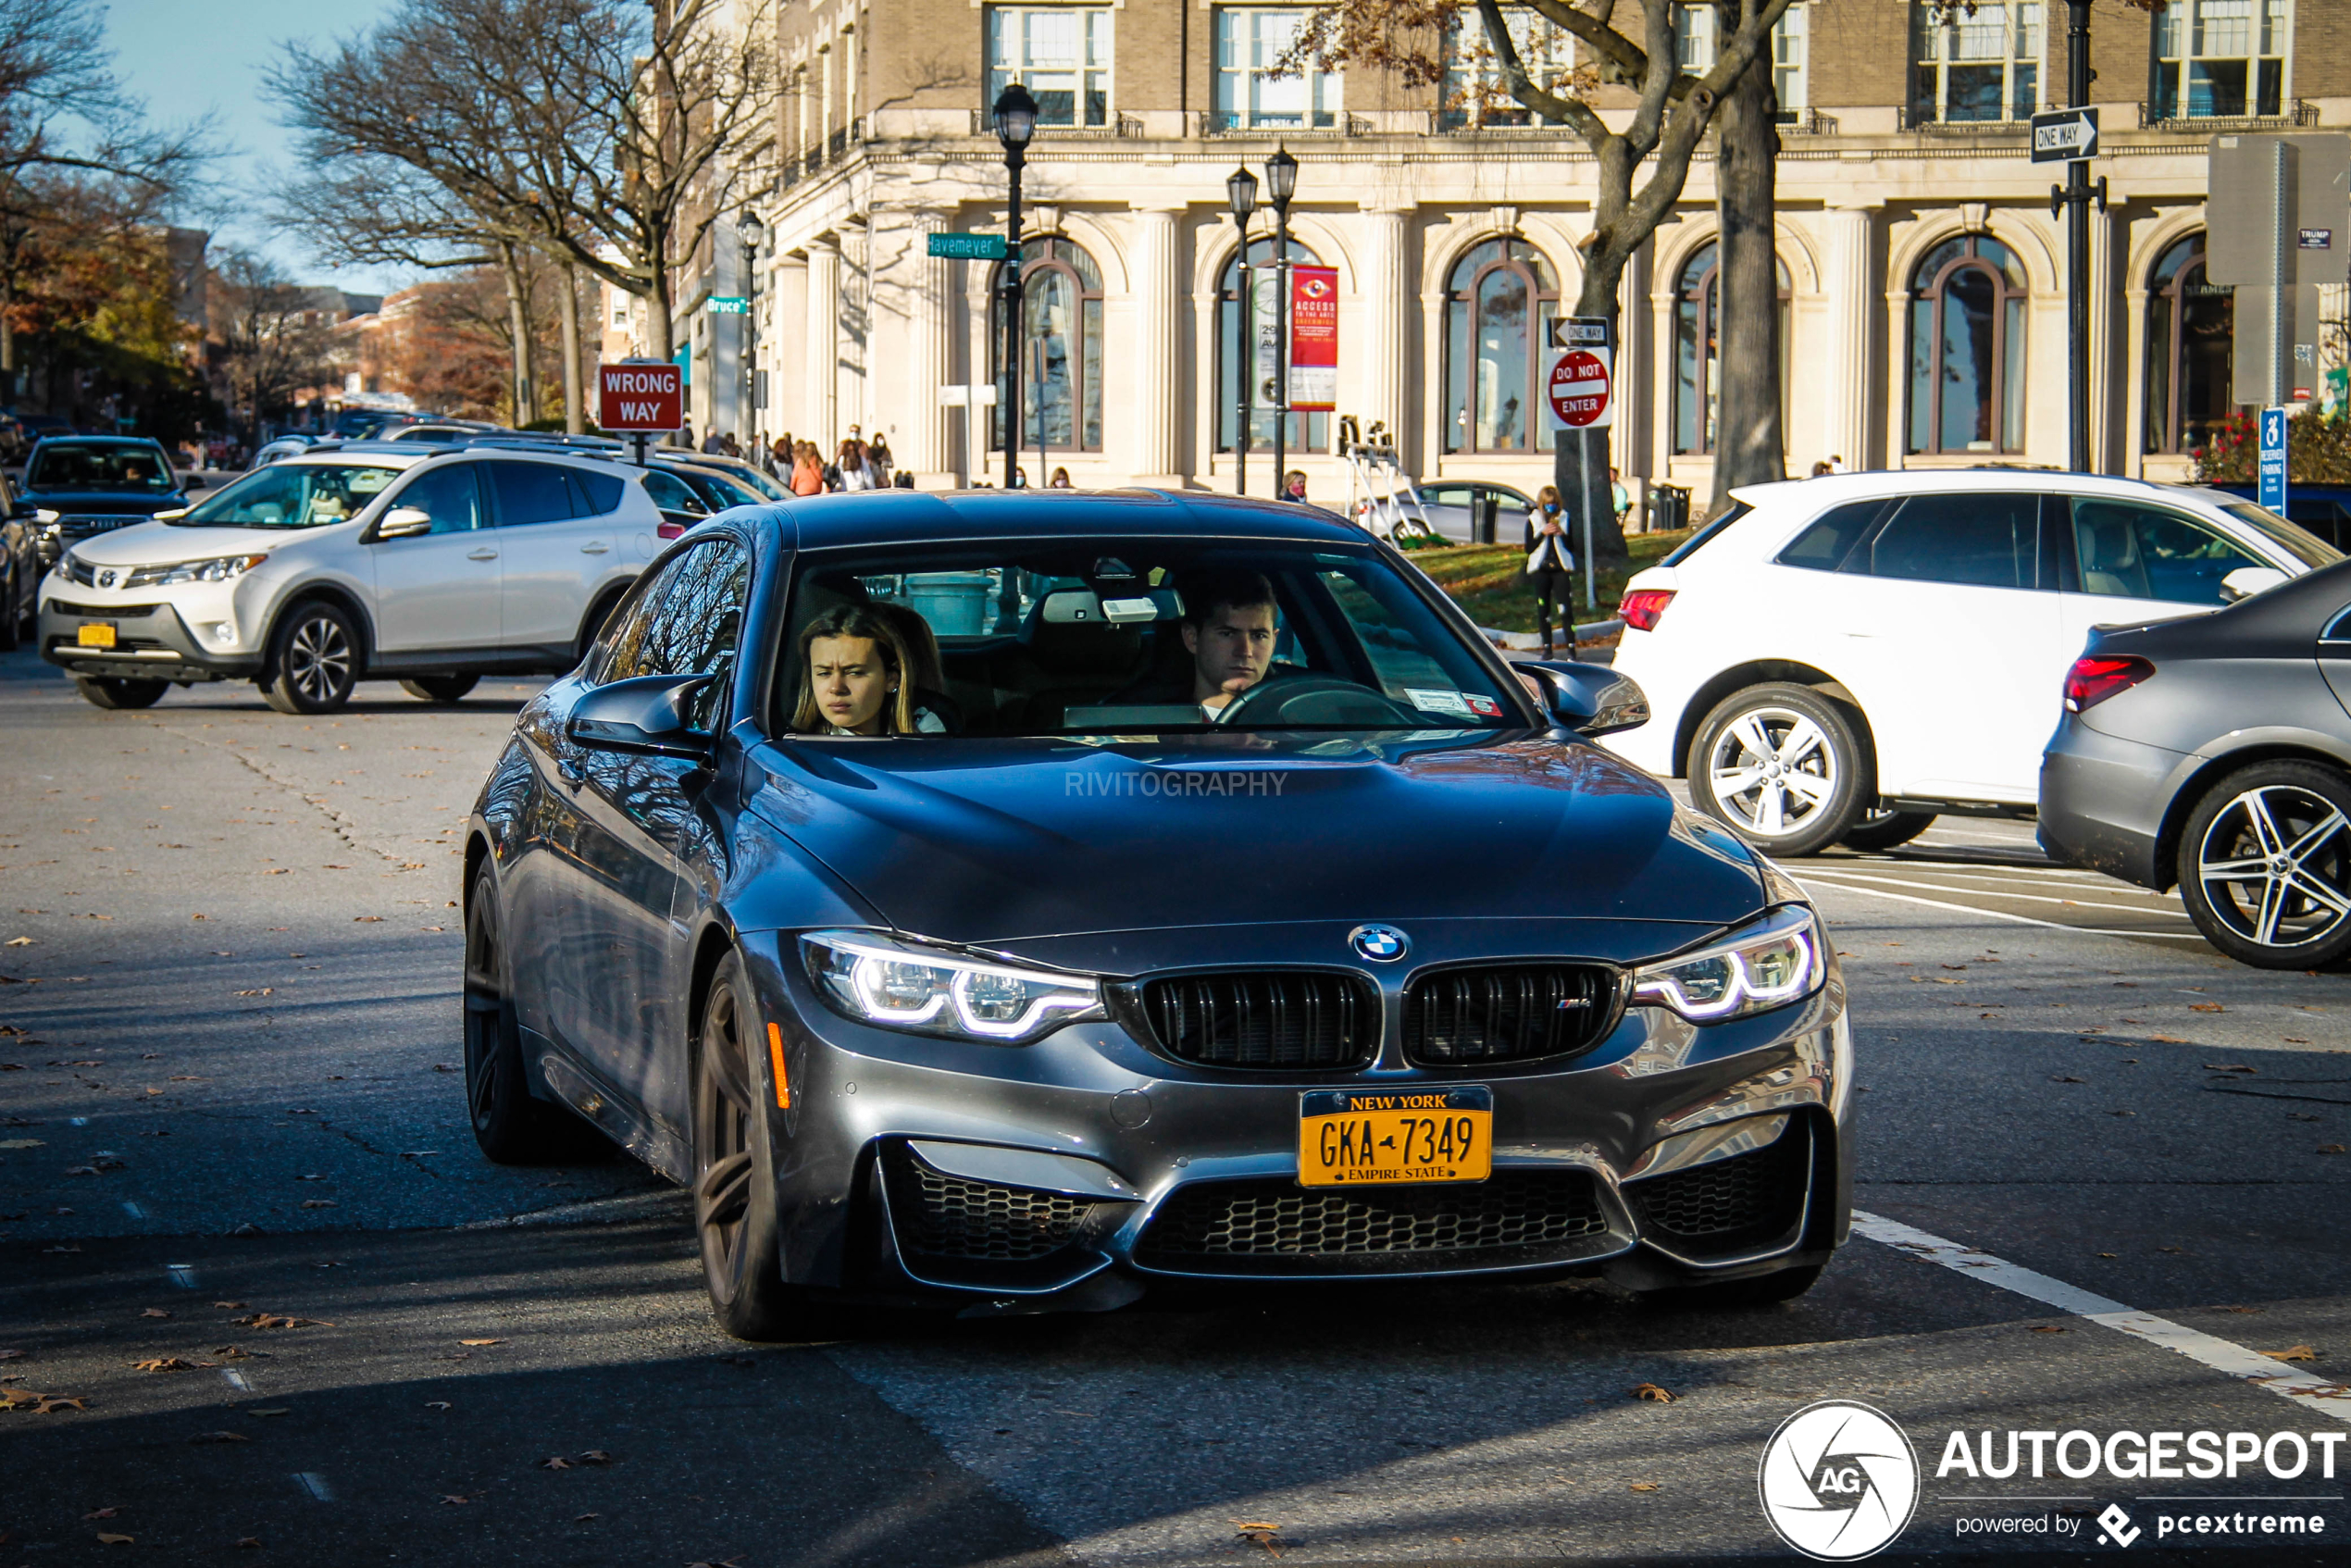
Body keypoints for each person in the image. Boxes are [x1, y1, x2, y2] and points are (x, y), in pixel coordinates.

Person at [1108, 568, 1287, 722]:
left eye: (1258, 636)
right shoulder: (1138, 723)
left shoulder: (1300, 719)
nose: (1245, 651)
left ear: (1274, 642)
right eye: (1228, 634)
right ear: (1192, 638)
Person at [791, 604, 939, 735]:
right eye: (824, 673)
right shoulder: (788, 752)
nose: (836, 688)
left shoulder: (927, 730)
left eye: (854, 672)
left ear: (891, 679)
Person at [1524, 484, 1575, 658]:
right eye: (1547, 504)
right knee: (1543, 609)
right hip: (1541, 569)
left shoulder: (1564, 518)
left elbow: (1572, 546)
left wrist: (1562, 534)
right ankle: (1547, 646)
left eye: (1553, 503)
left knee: (1565, 609)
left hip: (1560, 568)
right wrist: (1542, 533)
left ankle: (1571, 647)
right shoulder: (1534, 520)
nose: (1550, 507)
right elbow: (1529, 548)